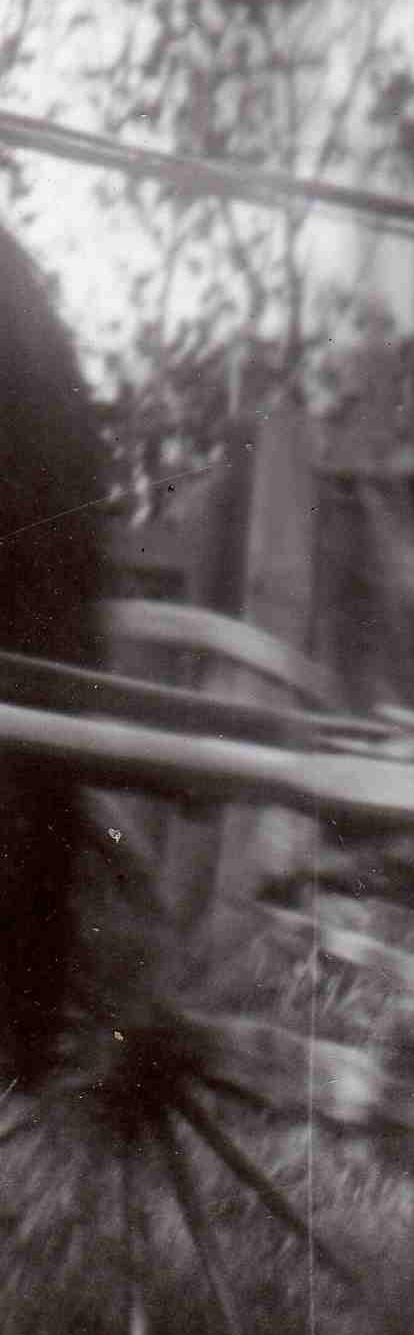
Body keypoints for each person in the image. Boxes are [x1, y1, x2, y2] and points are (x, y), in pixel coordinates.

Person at [0, 218, 110, 1090]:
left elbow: (44, 476)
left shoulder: (9, 281)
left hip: (30, 608)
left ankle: (23, 1052)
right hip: (39, 602)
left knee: (32, 832)